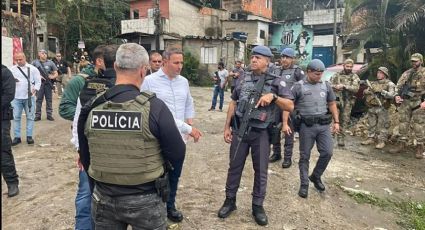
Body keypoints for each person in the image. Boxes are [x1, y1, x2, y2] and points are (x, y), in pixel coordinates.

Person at [78, 43, 186, 229]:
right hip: (146, 198)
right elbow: (177, 153)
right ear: (144, 71)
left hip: (104, 197)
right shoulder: (155, 107)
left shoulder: (92, 107)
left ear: (116, 67)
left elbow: (86, 157)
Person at [218, 45, 294, 226]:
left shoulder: (277, 81)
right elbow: (233, 103)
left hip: (261, 133)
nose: (253, 60)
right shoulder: (243, 79)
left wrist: (273, 97)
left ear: (267, 62)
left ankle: (257, 206)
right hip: (240, 131)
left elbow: (290, 106)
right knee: (234, 166)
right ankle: (230, 201)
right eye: (252, 57)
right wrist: (227, 127)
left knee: (260, 170)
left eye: (258, 58)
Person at [141, 47, 202, 223]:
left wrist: (189, 122)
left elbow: (189, 102)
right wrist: (189, 129)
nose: (180, 66)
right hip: (157, 139)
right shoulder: (149, 81)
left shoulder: (183, 81)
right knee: (156, 175)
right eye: (176, 62)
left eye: (181, 62)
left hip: (179, 139)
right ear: (165, 61)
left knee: (174, 175)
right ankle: (153, 209)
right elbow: (156, 114)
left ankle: (170, 207)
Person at [60, 44, 117, 230]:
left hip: (93, 153)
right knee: (89, 197)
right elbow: (76, 120)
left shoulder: (89, 87)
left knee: (89, 197)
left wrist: (80, 150)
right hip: (100, 155)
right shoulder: (84, 83)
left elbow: (77, 122)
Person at [283, 59, 340, 198]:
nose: (319, 76)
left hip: (323, 126)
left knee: (327, 152)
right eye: (316, 74)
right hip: (306, 127)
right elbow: (288, 105)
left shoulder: (326, 86)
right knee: (304, 156)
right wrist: (285, 123)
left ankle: (315, 175)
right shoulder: (298, 86)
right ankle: (304, 184)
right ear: (308, 72)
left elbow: (332, 103)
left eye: (321, 74)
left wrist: (337, 122)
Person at [269, 47, 305, 168]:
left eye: (287, 57)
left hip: (289, 106)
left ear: (292, 59)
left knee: (288, 131)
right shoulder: (276, 70)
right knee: (274, 129)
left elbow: (303, 87)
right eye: (282, 57)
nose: (284, 59)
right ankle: (276, 153)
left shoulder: (297, 71)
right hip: (276, 104)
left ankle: (287, 157)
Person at [391, 53, 425, 159]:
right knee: (403, 123)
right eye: (412, 61)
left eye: (416, 61)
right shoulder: (407, 73)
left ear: (421, 61)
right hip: (406, 101)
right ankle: (402, 143)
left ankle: (420, 146)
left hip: (419, 101)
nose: (413, 63)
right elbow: (398, 85)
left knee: (418, 125)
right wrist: (396, 95)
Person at [10, 52, 42, 146]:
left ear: (24, 58)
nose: (19, 61)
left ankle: (29, 136)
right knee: (16, 117)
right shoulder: (12, 69)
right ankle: (17, 137)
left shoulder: (32, 69)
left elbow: (38, 81)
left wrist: (35, 89)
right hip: (16, 97)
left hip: (29, 97)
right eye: (17, 60)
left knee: (30, 117)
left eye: (20, 59)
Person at [361, 67, 396, 149]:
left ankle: (382, 141)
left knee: (383, 125)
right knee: (371, 124)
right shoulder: (373, 83)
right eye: (378, 72)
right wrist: (368, 91)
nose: (378, 74)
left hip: (382, 107)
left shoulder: (389, 84)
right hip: (372, 106)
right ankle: (371, 138)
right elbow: (365, 91)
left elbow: (392, 95)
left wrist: (382, 91)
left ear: (385, 74)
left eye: (381, 73)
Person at [330, 58, 360, 146]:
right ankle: (330, 137)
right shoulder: (337, 75)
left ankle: (341, 138)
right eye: (347, 66)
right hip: (337, 100)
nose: (349, 68)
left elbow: (356, 89)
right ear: (344, 66)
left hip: (348, 101)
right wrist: (336, 86)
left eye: (351, 67)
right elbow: (329, 84)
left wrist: (344, 86)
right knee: (333, 118)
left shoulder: (354, 77)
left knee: (344, 120)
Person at [1, 65, 20, 197]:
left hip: (1, 117)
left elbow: (9, 95)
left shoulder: (4, 72)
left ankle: (12, 183)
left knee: (3, 150)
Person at [32, 49, 58, 121]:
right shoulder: (34, 62)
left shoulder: (50, 63)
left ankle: (49, 115)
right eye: (42, 53)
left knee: (49, 100)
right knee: (39, 99)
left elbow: (56, 73)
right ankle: (37, 115)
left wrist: (52, 77)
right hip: (39, 84)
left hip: (48, 84)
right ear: (39, 54)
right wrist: (38, 76)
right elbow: (30, 72)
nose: (44, 54)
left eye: (45, 53)